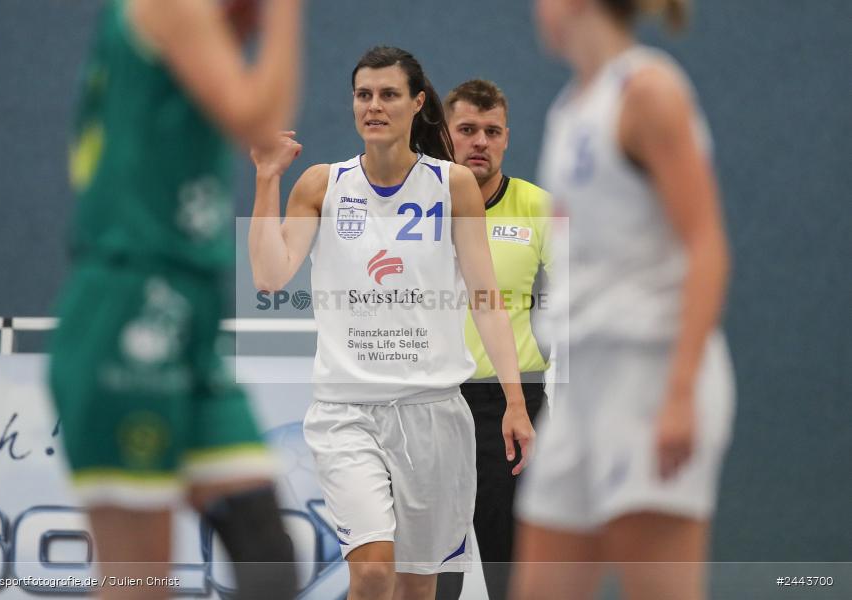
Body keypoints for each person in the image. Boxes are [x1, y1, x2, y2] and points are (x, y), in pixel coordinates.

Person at [247, 46, 535, 600]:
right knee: (374, 573)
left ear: (417, 102)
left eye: (388, 94)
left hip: (433, 413)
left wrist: (515, 403)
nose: (373, 106)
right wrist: (266, 180)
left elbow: (486, 299)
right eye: (363, 95)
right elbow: (269, 275)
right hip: (346, 411)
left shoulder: (452, 186)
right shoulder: (321, 184)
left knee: (417, 586)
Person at [48, 1, 304, 598]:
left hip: (188, 306)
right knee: (139, 581)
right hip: (128, 301)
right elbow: (259, 118)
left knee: (267, 557)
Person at [511, 1, 735, 599]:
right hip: (580, 385)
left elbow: (706, 245)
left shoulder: (649, 91)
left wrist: (681, 393)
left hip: (648, 376)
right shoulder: (569, 108)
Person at [434, 80, 552, 600]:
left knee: (513, 565)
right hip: (430, 402)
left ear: (506, 138)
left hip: (511, 409)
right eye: (467, 129)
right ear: (444, 133)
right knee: (435, 568)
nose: (480, 141)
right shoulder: (419, 204)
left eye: (492, 131)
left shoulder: (540, 208)